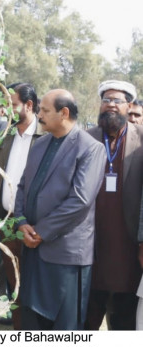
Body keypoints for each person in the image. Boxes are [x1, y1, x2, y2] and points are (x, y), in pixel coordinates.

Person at [14, 89, 106, 330]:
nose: (39, 114)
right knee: (32, 323)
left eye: (44, 110)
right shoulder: (40, 143)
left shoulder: (90, 148)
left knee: (63, 327)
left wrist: (41, 232)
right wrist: (21, 222)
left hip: (65, 254)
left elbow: (80, 201)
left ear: (64, 113)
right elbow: (23, 185)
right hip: (33, 249)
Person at [0, 83, 43, 329]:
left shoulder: (46, 136)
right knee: (14, 286)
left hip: (35, 226)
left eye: (12, 103)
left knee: (37, 288)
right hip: (7, 221)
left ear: (29, 105)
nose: (7, 108)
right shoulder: (6, 135)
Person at [86, 80, 143, 330]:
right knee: (86, 319)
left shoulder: (141, 139)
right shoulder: (85, 139)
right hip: (90, 246)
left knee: (124, 322)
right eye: (106, 100)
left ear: (128, 105)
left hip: (129, 247)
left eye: (116, 101)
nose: (110, 105)